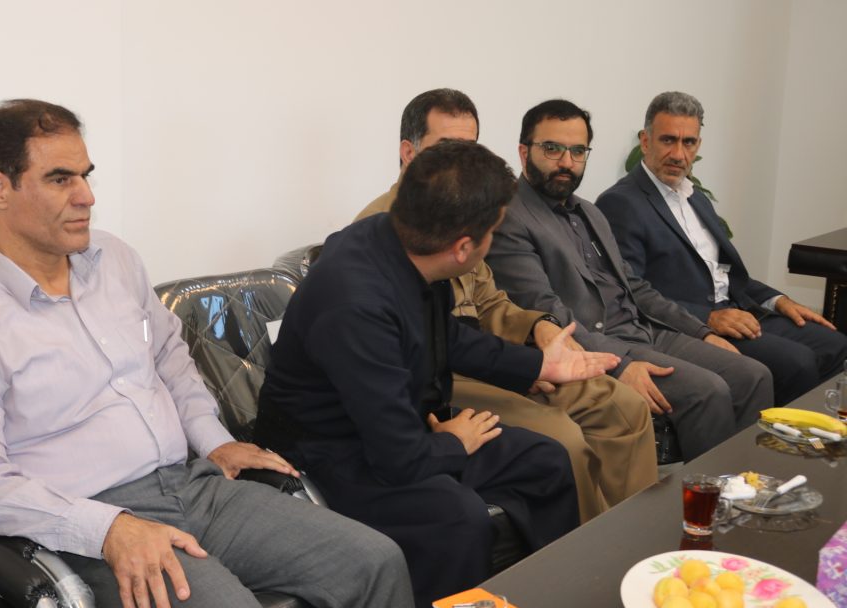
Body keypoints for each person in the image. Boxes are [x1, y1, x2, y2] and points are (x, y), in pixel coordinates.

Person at [0, 99, 415, 608]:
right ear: (0, 188)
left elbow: (169, 355)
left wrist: (213, 440)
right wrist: (109, 529)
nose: (85, 196)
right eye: (60, 179)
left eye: (86, 176)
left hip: (191, 485)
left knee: (374, 563)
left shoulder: (114, 261)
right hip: (85, 530)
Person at [257, 139, 621, 608]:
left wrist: (537, 364)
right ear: (464, 247)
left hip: (401, 429)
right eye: (493, 231)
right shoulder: (356, 303)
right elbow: (396, 457)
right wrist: (454, 444)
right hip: (329, 454)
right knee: (457, 518)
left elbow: (442, 336)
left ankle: (549, 606)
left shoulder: (397, 241)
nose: (493, 242)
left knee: (546, 460)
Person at [356, 88, 656, 523]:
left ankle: (635, 537)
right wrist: (519, 368)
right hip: (445, 375)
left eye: (469, 150)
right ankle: (588, 554)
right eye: (446, 148)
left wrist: (540, 327)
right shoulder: (382, 225)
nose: (460, 163)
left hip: (494, 355)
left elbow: (491, 302)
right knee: (563, 438)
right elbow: (416, 347)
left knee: (623, 406)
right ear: (408, 152)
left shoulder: (463, 211)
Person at [487, 99, 773, 461]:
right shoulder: (509, 218)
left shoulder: (588, 211)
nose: (566, 162)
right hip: (603, 343)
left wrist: (702, 332)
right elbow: (545, 311)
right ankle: (709, 495)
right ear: (524, 151)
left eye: (578, 151)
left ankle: (748, 485)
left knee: (753, 375)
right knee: (708, 391)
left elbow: (635, 287)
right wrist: (620, 364)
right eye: (552, 148)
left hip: (646, 331)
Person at [596, 91, 847, 405]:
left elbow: (725, 274)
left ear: (698, 145)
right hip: (690, 326)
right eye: (668, 140)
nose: (678, 154)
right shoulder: (621, 202)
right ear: (645, 142)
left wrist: (778, 300)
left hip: (740, 310)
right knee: (797, 362)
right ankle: (781, 435)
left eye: (688, 142)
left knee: (835, 344)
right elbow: (629, 292)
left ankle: (822, 431)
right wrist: (708, 319)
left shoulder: (696, 197)